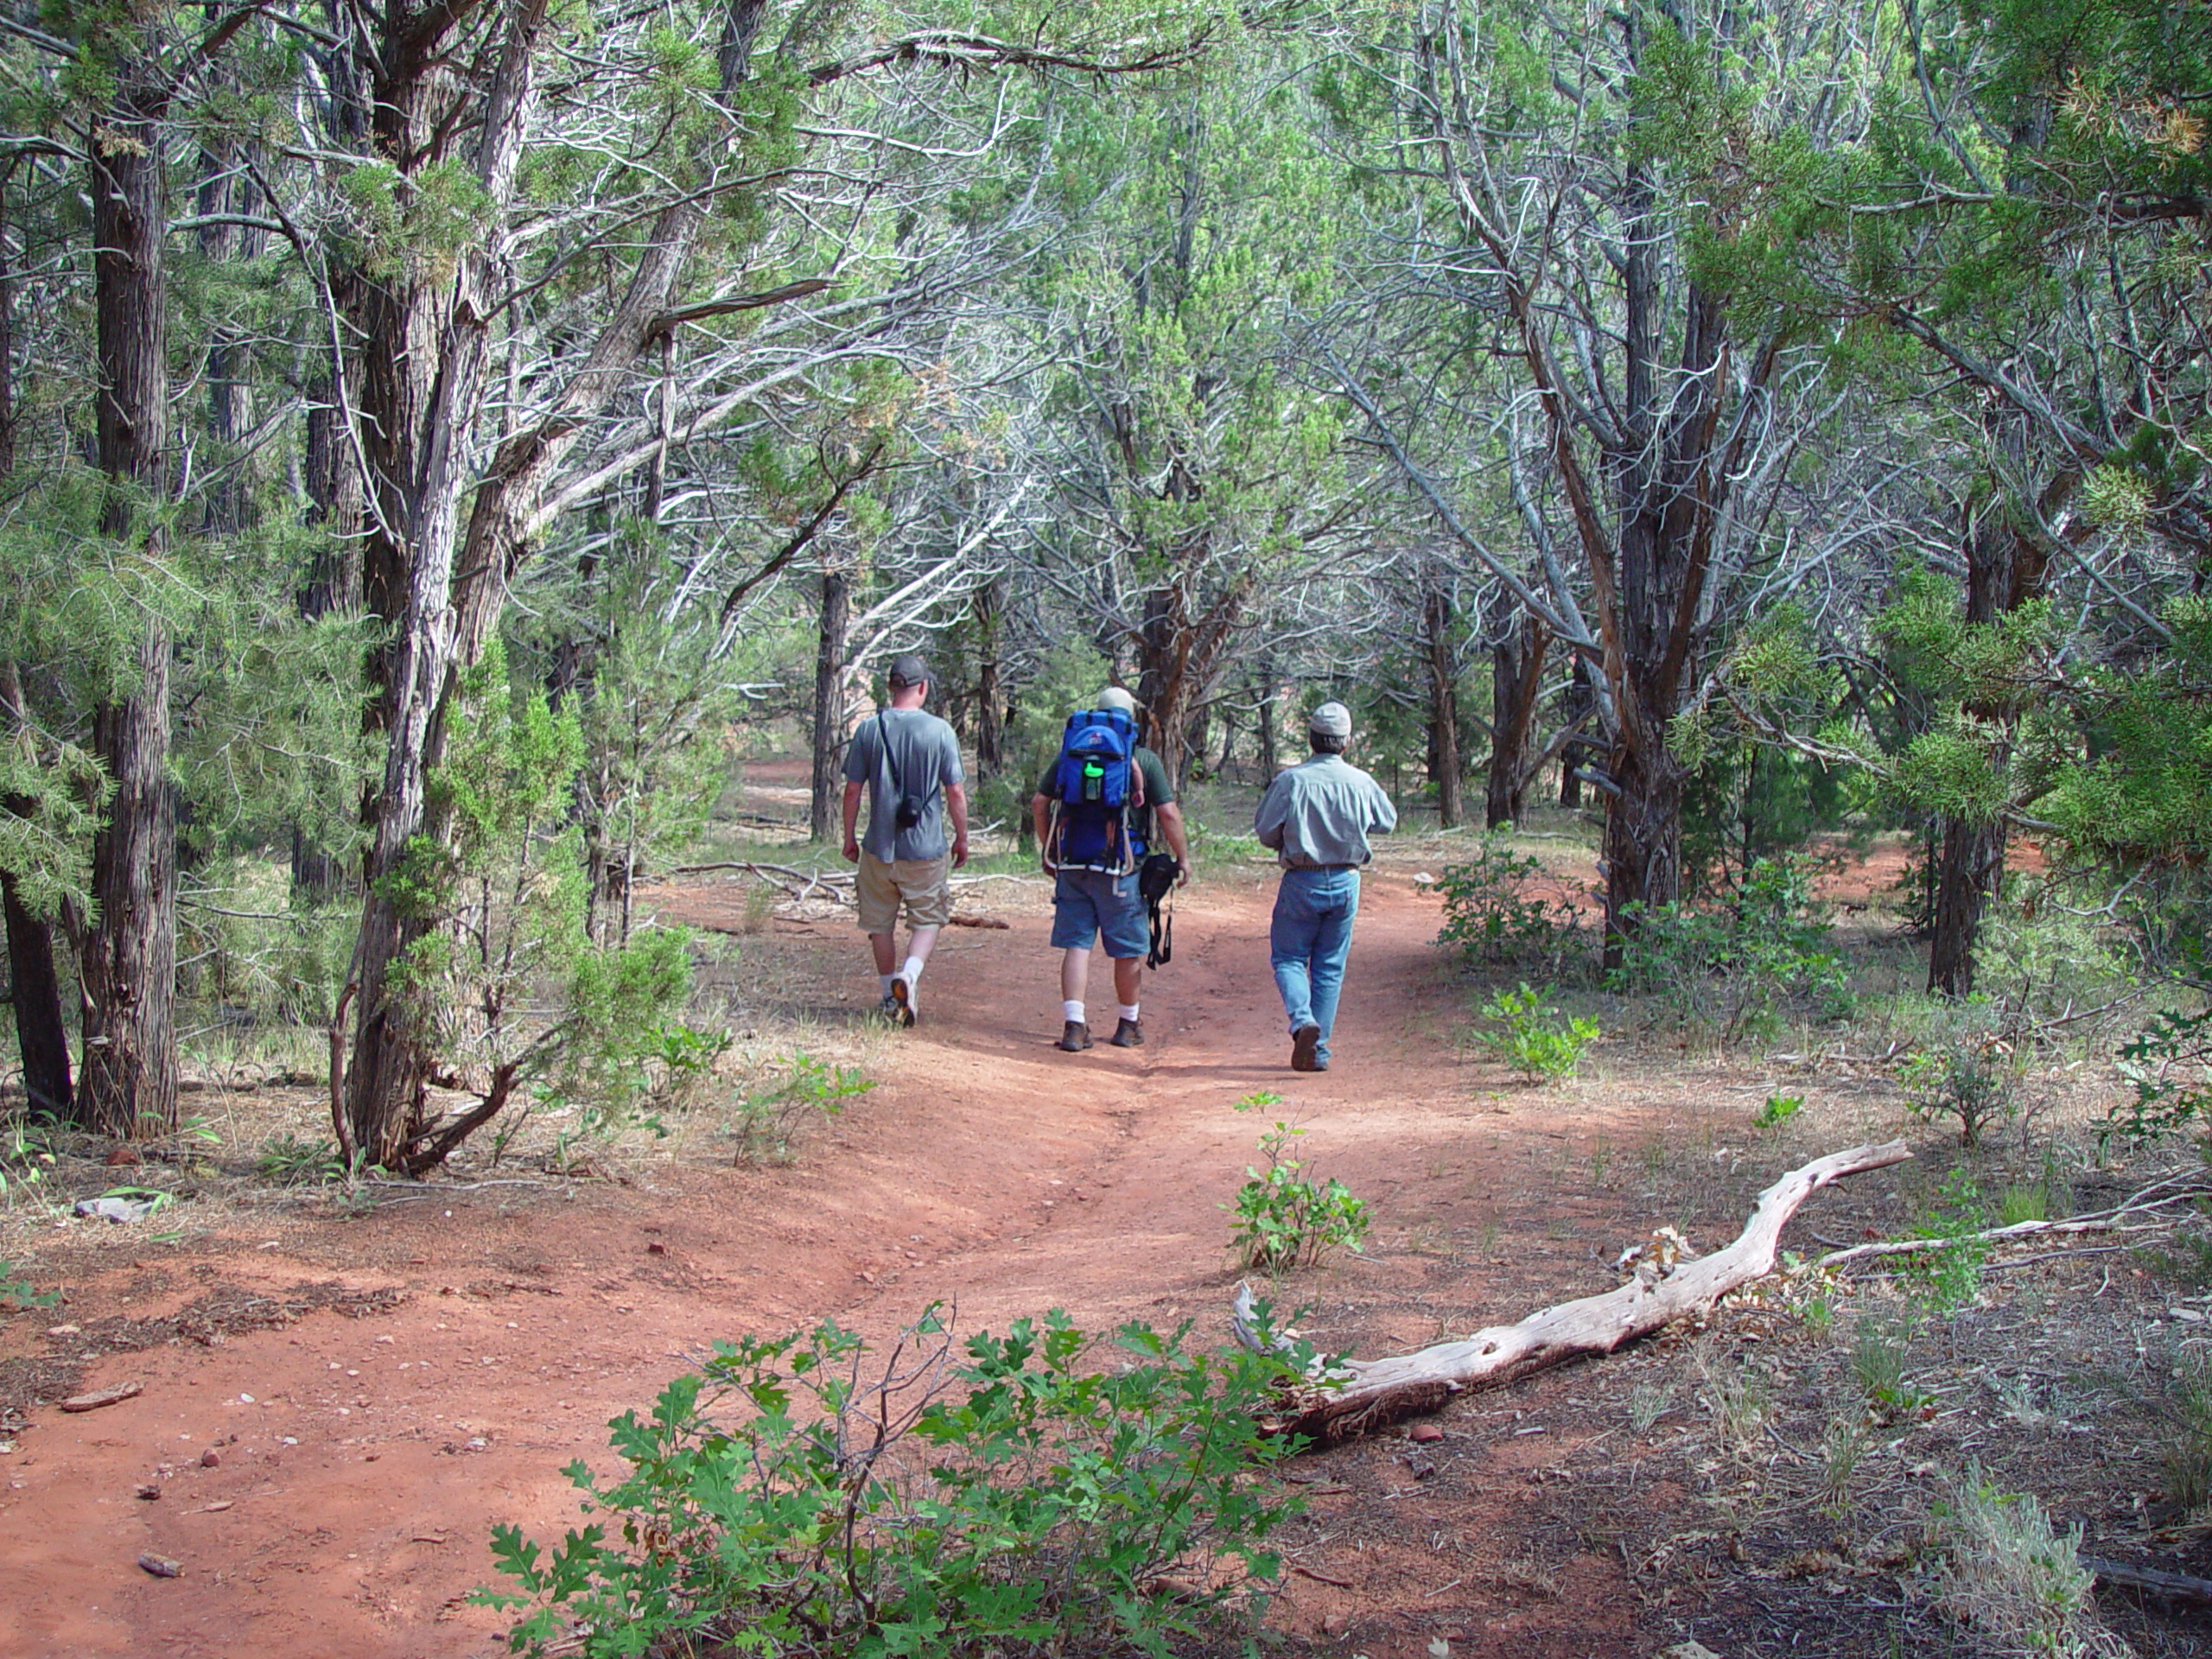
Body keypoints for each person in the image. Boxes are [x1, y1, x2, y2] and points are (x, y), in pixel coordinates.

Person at [1030, 686, 1191, 1052]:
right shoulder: (1143, 759)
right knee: (1127, 949)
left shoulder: (1071, 752)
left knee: (1076, 945)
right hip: (1122, 867)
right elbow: (1167, 813)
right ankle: (1128, 1025)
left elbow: (1040, 802)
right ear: (1130, 718)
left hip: (1072, 862)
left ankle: (1074, 1026)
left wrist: (1049, 848)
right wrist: (1183, 858)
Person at [1254, 700, 1396, 1072]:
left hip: (1302, 879)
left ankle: (1302, 1021)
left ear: (1311, 739)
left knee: (1288, 959)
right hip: (1347, 881)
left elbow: (1266, 832)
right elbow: (1387, 821)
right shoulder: (1362, 781)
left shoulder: (1292, 780)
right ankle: (1318, 1052)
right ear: (1346, 742)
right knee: (1330, 968)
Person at [841, 653, 969, 1026]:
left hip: (878, 846)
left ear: (890, 687)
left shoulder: (868, 729)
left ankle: (887, 995)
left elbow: (852, 790)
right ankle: (909, 976)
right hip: (925, 848)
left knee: (879, 922)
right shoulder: (940, 731)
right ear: (923, 687)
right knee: (928, 918)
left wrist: (849, 837)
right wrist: (962, 837)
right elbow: (955, 792)